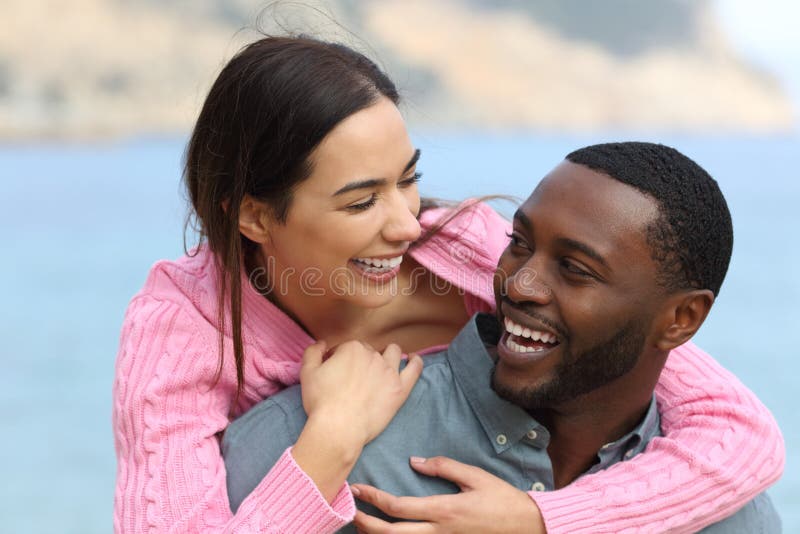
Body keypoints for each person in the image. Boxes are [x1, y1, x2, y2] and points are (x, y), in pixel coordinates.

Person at [112, 35, 784, 533]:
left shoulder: (462, 245)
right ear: (256, 215)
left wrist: (538, 521)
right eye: (360, 200)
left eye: (408, 179)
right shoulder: (184, 329)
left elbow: (739, 434)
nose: (408, 223)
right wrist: (334, 437)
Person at [222, 142, 782, 533]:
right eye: (519, 242)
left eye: (576, 269)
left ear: (681, 320)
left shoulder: (723, 505)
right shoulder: (316, 438)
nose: (518, 282)